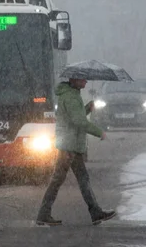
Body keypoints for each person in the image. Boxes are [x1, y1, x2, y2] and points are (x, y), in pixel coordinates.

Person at [36, 77, 116, 226]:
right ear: (75, 80)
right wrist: (99, 132)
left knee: (77, 180)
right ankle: (44, 214)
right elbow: (78, 121)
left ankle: (94, 212)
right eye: (83, 80)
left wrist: (86, 108)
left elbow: (74, 117)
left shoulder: (72, 95)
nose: (85, 82)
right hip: (69, 146)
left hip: (71, 145)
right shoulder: (71, 97)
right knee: (62, 180)